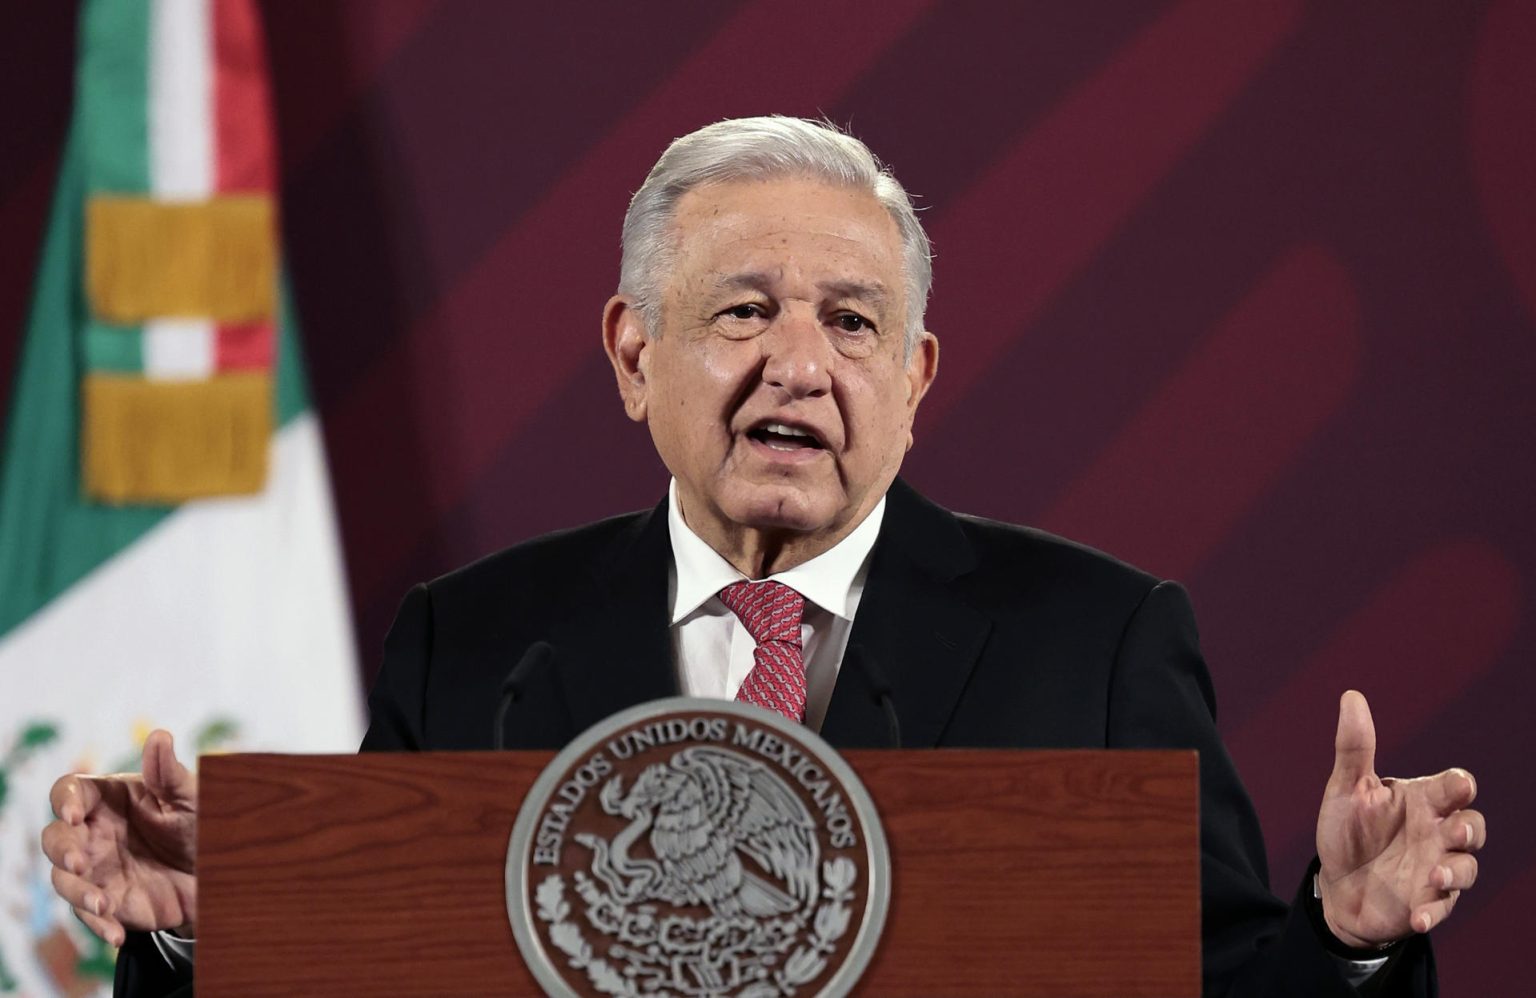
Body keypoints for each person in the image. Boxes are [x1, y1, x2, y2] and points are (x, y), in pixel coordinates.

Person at [42, 117, 1484, 997]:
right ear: (632, 351)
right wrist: (193, 938)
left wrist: (1345, 936)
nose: (800, 361)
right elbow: (369, 975)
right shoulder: (476, 644)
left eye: (852, 322)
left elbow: (1220, 990)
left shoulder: (1096, 639)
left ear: (916, 377)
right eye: (743, 308)